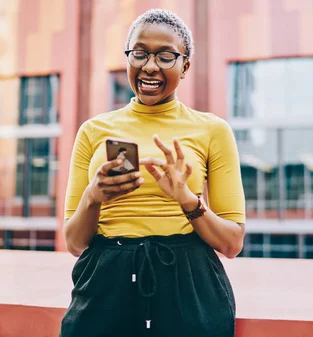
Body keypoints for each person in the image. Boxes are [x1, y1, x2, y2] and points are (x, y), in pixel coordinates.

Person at [60, 8, 245, 337]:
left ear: (185, 65)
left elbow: (232, 244)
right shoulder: (92, 131)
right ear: (128, 58)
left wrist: (186, 198)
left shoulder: (213, 130)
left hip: (189, 283)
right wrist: (94, 196)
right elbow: (74, 243)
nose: (149, 66)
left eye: (165, 56)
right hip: (104, 283)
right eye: (140, 54)